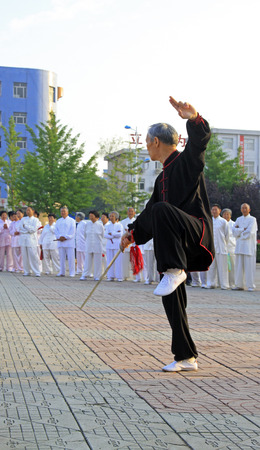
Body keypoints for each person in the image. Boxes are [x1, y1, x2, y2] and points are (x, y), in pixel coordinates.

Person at [121, 96, 214, 372]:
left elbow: (199, 143)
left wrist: (194, 118)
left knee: (162, 209)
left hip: (196, 231)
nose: (147, 146)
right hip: (177, 246)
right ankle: (186, 356)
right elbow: (149, 215)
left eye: (147, 142)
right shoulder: (161, 178)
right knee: (172, 297)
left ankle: (174, 270)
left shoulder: (186, 162)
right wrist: (131, 234)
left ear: (156, 142)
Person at [232, 203, 258, 291]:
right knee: (238, 267)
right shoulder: (238, 219)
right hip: (239, 247)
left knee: (249, 267)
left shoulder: (252, 220)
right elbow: (234, 232)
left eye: (246, 208)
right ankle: (239, 285)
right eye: (242, 208)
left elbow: (250, 232)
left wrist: (239, 232)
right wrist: (243, 229)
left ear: (249, 210)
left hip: (248, 247)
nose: (244, 209)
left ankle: (251, 285)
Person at [207, 204, 229, 289]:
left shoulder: (223, 222)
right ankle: (211, 283)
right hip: (211, 247)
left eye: (215, 209)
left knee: (222, 267)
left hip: (221, 247)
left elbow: (227, 236)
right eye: (212, 210)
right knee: (211, 267)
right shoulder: (209, 221)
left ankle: (224, 284)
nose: (214, 211)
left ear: (219, 210)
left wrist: (223, 244)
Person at [80, 210, 104, 281]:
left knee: (97, 261)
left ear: (96, 216)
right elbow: (85, 234)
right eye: (90, 215)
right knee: (87, 261)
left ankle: (97, 276)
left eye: (92, 215)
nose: (90, 216)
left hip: (97, 245)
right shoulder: (87, 224)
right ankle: (85, 275)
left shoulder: (100, 225)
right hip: (89, 244)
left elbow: (103, 235)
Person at [18, 206, 41, 277]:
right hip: (23, 240)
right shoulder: (23, 219)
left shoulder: (36, 220)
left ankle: (37, 271)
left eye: (29, 210)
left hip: (31, 240)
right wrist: (27, 229)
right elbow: (20, 229)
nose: (27, 211)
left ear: (33, 211)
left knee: (33, 256)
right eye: (27, 210)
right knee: (24, 256)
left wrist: (26, 227)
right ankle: (27, 271)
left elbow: (33, 230)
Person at [55, 206, 76, 277]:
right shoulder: (58, 221)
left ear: (67, 212)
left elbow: (72, 231)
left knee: (71, 258)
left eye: (64, 211)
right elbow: (56, 231)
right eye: (62, 211)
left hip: (69, 242)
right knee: (61, 258)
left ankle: (72, 272)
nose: (63, 213)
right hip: (61, 242)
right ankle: (62, 272)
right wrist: (59, 237)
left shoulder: (72, 221)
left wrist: (66, 237)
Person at [105, 211, 124, 281]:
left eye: (113, 216)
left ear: (116, 217)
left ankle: (119, 276)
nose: (111, 217)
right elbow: (105, 235)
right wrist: (114, 234)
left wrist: (112, 233)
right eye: (110, 216)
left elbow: (119, 234)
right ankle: (110, 276)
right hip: (109, 245)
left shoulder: (119, 225)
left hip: (117, 244)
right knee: (109, 261)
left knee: (118, 261)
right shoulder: (107, 225)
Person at [222, 208, 236, 289]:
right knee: (223, 267)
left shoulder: (234, 224)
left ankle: (232, 283)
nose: (226, 216)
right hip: (223, 248)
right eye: (225, 214)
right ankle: (224, 283)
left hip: (231, 248)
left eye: (228, 214)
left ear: (230, 215)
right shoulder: (221, 223)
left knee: (232, 267)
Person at [121, 207, 136, 280]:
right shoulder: (123, 222)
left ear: (134, 213)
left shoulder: (136, 221)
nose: (130, 213)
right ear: (127, 212)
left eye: (132, 211)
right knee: (125, 261)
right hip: (126, 244)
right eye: (129, 211)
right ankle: (125, 276)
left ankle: (136, 276)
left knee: (134, 261)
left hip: (134, 244)